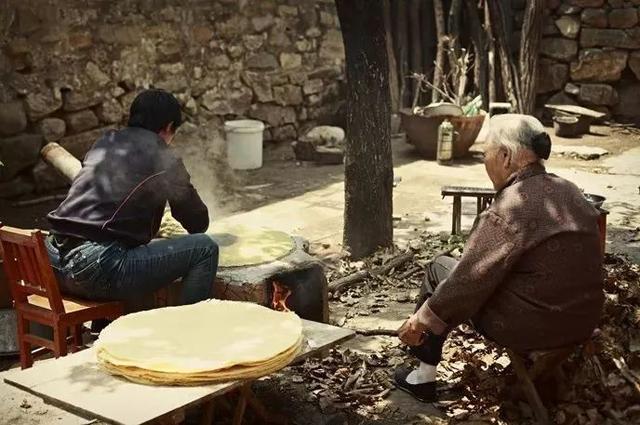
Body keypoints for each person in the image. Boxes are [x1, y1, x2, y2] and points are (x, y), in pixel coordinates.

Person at [395, 114, 604, 402]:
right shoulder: (569, 190)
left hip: (534, 327)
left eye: (485, 154)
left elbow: (466, 282)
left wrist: (422, 319)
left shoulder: (510, 207)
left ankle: (423, 376)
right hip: (583, 319)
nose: (485, 162)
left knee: (440, 269)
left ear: (505, 156)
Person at [46, 89, 218, 306]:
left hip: (52, 262)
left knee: (125, 247)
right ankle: (189, 328)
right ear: (168, 127)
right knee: (205, 248)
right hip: (93, 269)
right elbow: (197, 223)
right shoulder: (164, 157)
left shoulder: (105, 143)